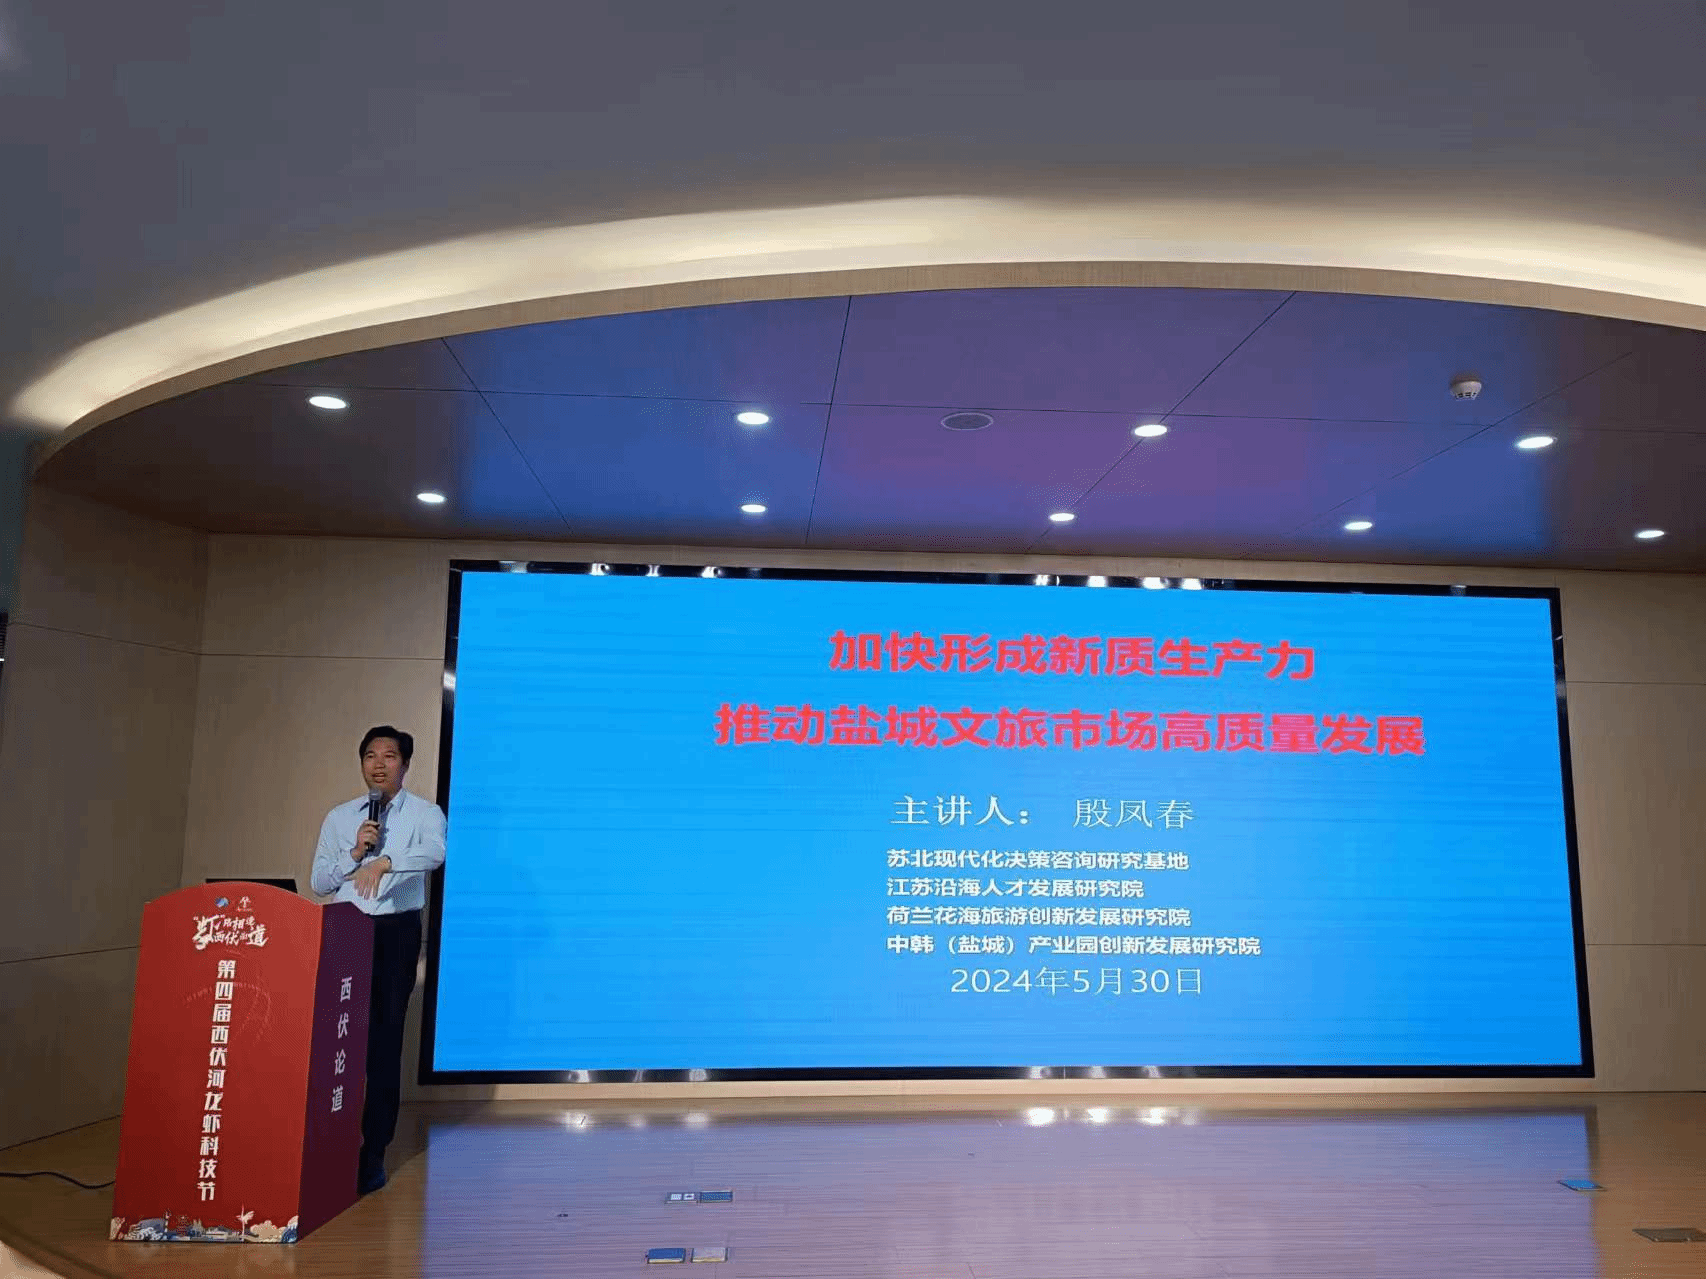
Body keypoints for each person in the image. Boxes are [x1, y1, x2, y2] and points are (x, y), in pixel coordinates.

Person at [309, 725, 446, 1194]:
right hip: (345, 931)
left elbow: (435, 853)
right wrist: (355, 853)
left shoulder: (424, 813)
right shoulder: (341, 817)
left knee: (384, 1045)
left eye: (389, 756)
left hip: (395, 933)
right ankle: (330, 1144)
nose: (379, 764)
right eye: (370, 755)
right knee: (340, 1040)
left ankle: (373, 1154)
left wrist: (386, 861)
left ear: (405, 764)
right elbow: (320, 882)